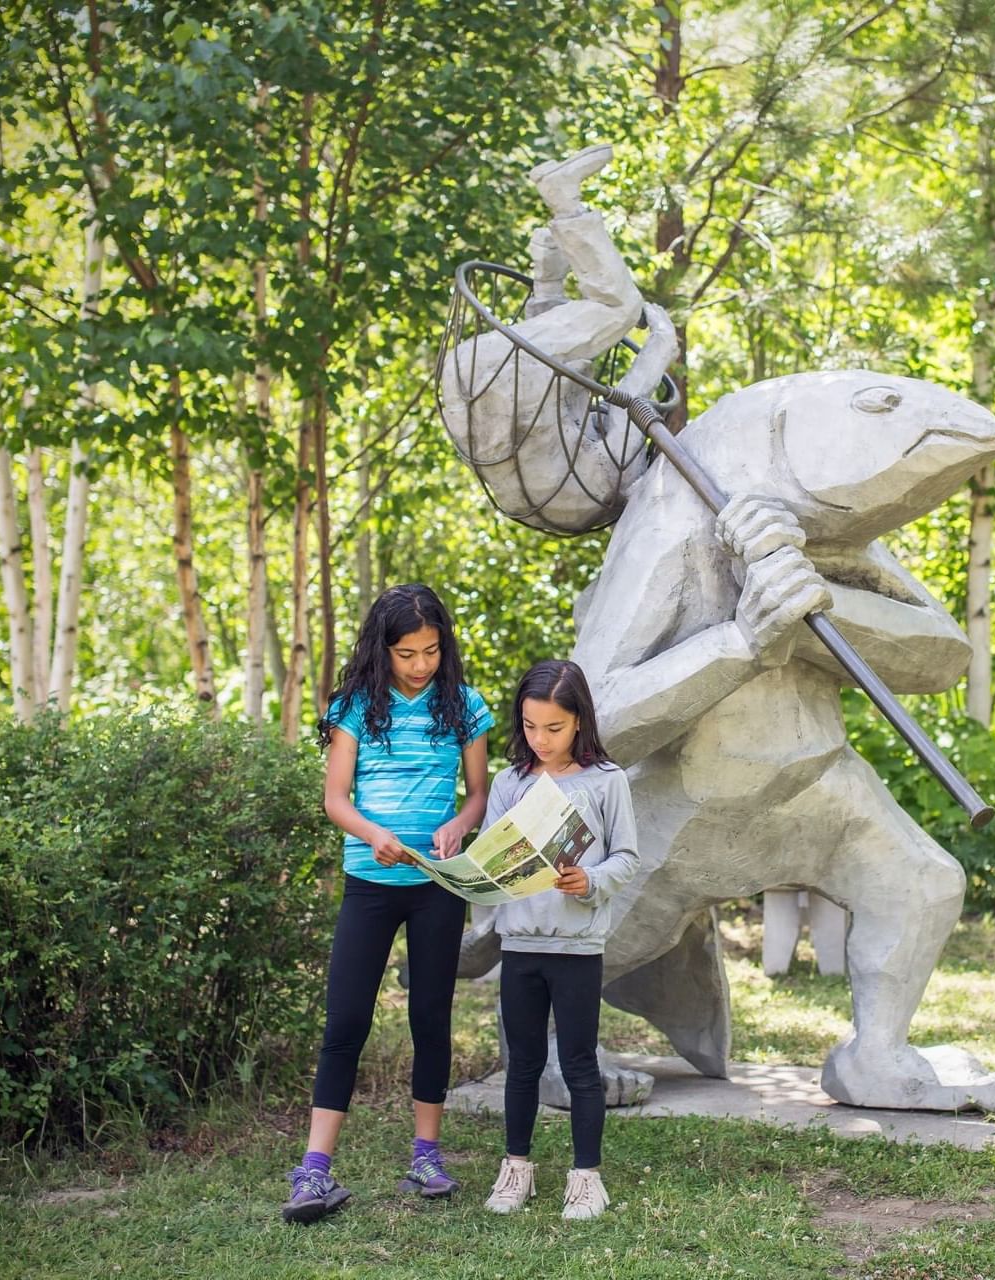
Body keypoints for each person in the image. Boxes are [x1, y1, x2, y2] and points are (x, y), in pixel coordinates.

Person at [280, 584, 494, 1225]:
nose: (421, 664)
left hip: (436, 886)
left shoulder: (464, 706)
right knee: (345, 1020)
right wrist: (374, 834)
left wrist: (460, 824)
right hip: (370, 886)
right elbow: (335, 800)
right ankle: (314, 1171)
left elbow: (479, 792)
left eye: (431, 651)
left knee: (431, 1018)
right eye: (407, 654)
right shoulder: (351, 708)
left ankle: (426, 1156)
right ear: (384, 648)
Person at [439, 142, 678, 534]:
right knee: (577, 336)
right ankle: (557, 223)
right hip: (471, 382)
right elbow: (548, 377)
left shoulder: (606, 483)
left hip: (499, 382)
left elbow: (627, 405)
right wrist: (547, 280)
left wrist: (659, 348)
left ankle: (565, 200)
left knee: (619, 309)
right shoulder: (562, 488)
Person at [480, 660, 639, 1220]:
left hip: (576, 949)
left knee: (578, 1064)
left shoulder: (606, 781)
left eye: (553, 728)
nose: (540, 739)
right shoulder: (509, 783)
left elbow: (626, 857)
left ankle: (585, 1177)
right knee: (522, 1064)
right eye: (529, 726)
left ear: (579, 722)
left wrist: (589, 879)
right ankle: (515, 1171)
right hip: (519, 945)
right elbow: (490, 855)